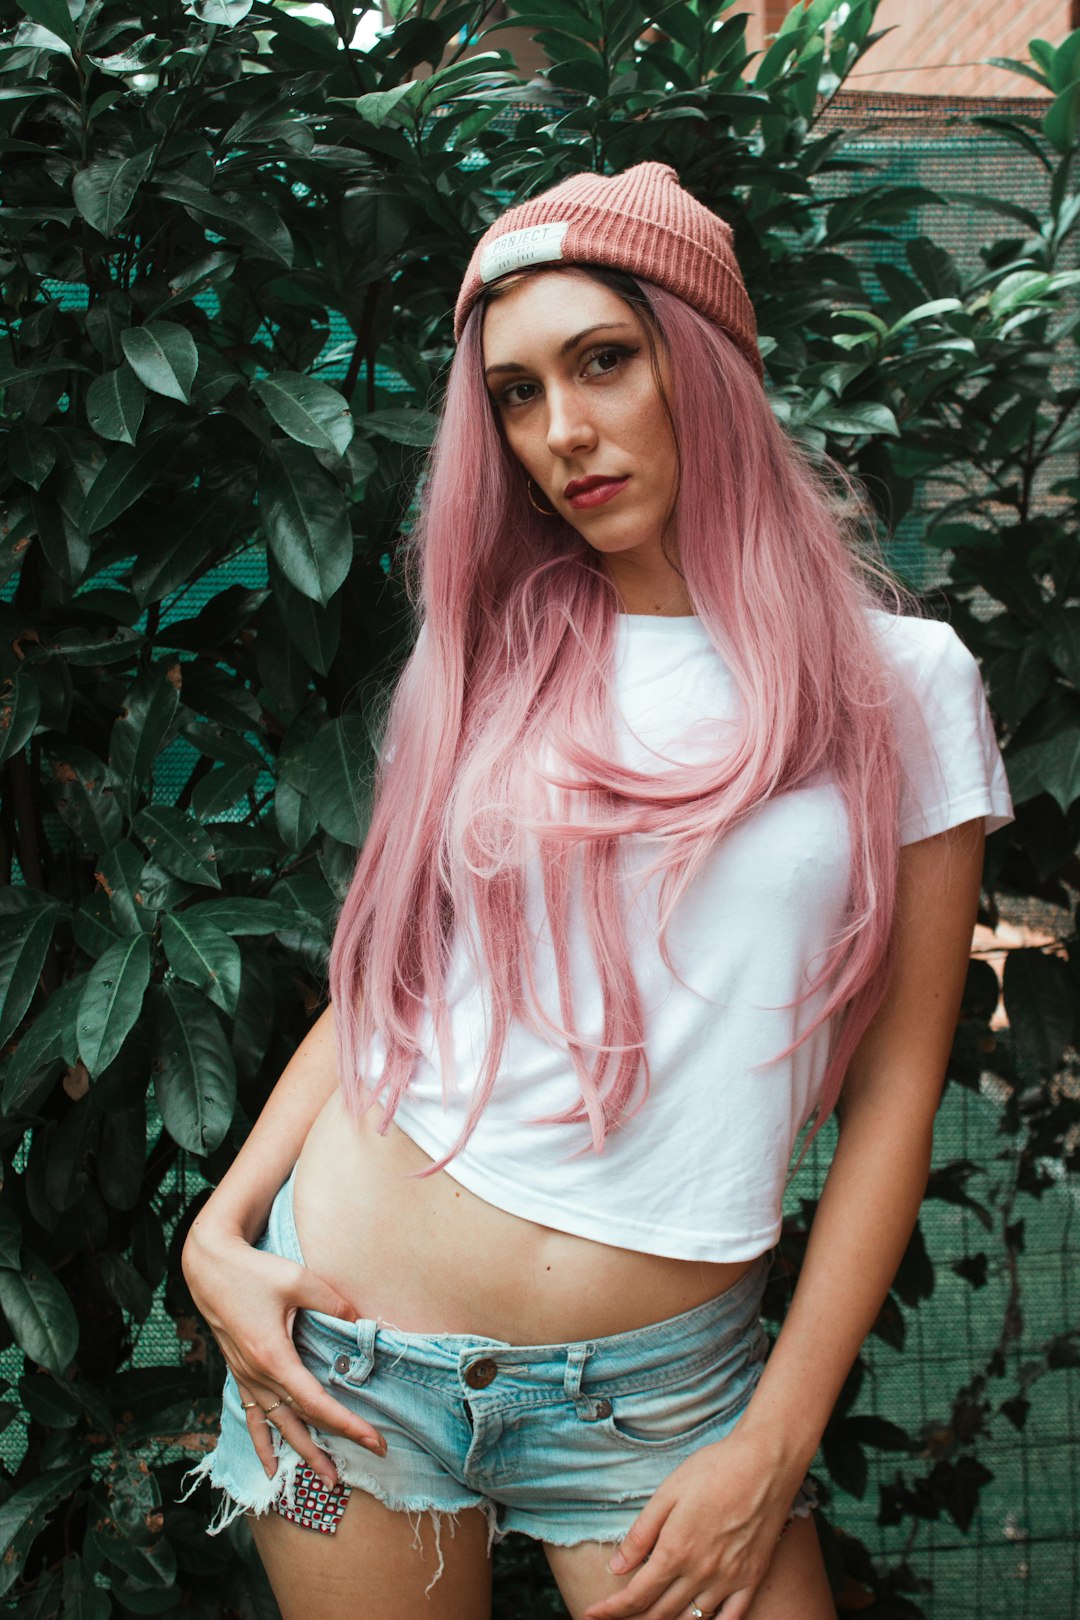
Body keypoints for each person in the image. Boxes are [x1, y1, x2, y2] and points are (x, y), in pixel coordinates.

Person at [179, 162, 1015, 1620]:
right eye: (514, 394)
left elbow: (897, 1088)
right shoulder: (489, 668)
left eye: (604, 362)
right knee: (298, 1532)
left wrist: (777, 1437)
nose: (562, 431)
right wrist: (218, 1240)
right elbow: (394, 992)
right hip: (327, 1378)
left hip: (653, 1411)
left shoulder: (908, 689)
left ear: (705, 363)